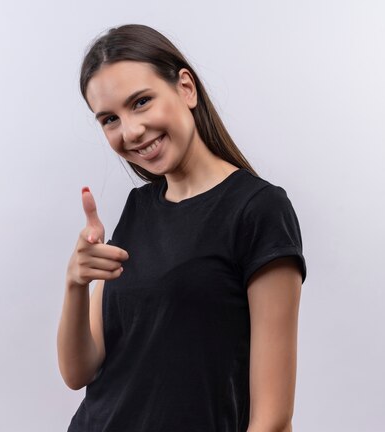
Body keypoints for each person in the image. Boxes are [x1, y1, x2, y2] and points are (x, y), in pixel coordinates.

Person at [57, 24, 307, 432]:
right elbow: (78, 372)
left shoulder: (258, 209)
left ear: (186, 88)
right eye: (109, 119)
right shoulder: (138, 207)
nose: (130, 131)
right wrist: (75, 283)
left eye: (140, 102)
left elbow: (274, 419)